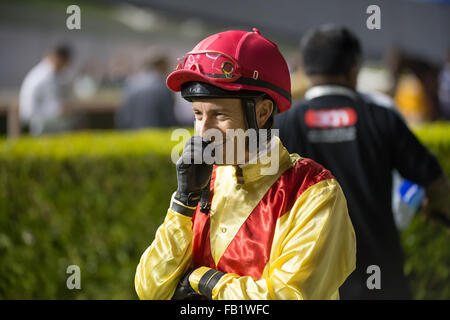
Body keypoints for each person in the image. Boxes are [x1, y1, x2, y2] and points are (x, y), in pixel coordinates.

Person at [135, 28, 356, 300]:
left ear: (262, 113)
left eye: (218, 115)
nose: (204, 132)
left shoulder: (315, 191)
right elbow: (150, 290)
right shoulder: (203, 180)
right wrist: (183, 202)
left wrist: (202, 278)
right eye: (197, 114)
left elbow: (286, 296)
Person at [276, 24, 450, 300]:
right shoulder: (382, 119)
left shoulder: (283, 126)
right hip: (383, 282)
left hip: (309, 285)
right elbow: (437, 185)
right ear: (354, 68)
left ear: (306, 70)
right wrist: (434, 203)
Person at [115, 47, 177, 129]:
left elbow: (124, 117)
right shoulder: (164, 86)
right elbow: (169, 118)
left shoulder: (131, 83)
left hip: (132, 134)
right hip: (157, 135)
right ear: (162, 65)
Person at [19, 44, 72, 135]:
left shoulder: (49, 72)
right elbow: (29, 110)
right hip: (40, 125)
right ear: (59, 59)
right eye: (65, 62)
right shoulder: (43, 77)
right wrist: (59, 110)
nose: (66, 66)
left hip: (46, 122)